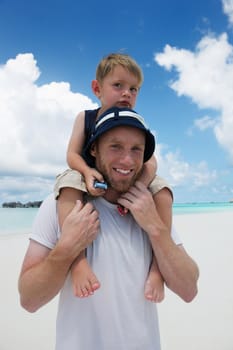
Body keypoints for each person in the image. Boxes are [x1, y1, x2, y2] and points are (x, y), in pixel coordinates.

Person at [18, 107, 199, 350]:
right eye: (115, 146)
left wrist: (155, 227)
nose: (127, 160)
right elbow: (29, 300)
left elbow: (189, 289)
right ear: (94, 149)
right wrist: (67, 248)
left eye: (137, 149)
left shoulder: (149, 209)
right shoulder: (62, 205)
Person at [55, 53, 172, 301]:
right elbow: (72, 155)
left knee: (162, 189)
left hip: (127, 180)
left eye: (133, 89)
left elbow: (150, 164)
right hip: (91, 174)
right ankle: (77, 261)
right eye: (118, 86)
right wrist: (87, 172)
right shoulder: (85, 118)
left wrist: (134, 191)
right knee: (67, 182)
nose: (126, 93)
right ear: (97, 88)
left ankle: (157, 269)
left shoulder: (134, 123)